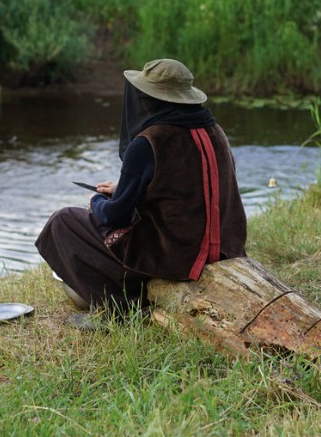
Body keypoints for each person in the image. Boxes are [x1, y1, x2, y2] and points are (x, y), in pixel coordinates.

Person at [36, 58, 247, 327]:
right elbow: (193, 189)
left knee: (62, 221)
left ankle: (121, 310)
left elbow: (116, 216)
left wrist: (97, 201)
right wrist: (125, 189)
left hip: (180, 257)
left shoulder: (149, 142)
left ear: (150, 98)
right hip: (227, 247)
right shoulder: (215, 130)